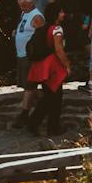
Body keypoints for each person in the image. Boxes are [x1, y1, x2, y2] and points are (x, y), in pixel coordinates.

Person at [25, 7, 69, 137]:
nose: (63, 13)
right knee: (55, 98)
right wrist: (67, 65)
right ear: (56, 15)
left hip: (41, 66)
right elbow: (59, 50)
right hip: (52, 67)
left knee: (49, 97)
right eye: (61, 11)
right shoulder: (57, 29)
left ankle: (37, 123)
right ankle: (51, 127)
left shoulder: (42, 29)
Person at [11, 0, 38, 88]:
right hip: (21, 49)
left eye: (24, 5)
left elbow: (39, 32)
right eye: (20, 5)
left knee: (29, 80)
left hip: (29, 49)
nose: (22, 8)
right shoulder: (24, 13)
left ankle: (30, 95)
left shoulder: (36, 15)